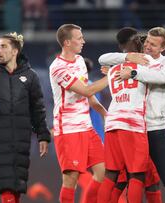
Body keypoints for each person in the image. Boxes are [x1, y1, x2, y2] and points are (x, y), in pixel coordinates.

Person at [99, 27, 165, 203]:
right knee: (130, 177)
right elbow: (103, 58)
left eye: (153, 44)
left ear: (163, 48)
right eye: (146, 42)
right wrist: (128, 58)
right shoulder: (139, 60)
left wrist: (133, 72)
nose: (148, 46)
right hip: (135, 127)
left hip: (154, 128)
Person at [0, 32, 51, 203]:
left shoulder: (30, 76)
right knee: (6, 184)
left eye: (3, 46)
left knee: (16, 185)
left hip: (21, 138)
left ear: (15, 51)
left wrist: (43, 135)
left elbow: (37, 107)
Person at [49, 24, 107, 203]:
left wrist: (104, 113)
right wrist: (112, 76)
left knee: (104, 172)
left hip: (87, 128)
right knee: (71, 180)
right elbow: (87, 90)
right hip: (68, 130)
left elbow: (89, 98)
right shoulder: (58, 68)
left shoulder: (80, 61)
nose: (83, 41)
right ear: (67, 42)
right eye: (79, 38)